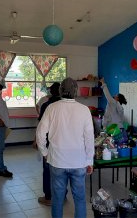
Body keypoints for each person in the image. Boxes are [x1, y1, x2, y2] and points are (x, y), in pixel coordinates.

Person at [36, 77, 94, 218]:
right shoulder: (84, 110)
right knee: (80, 200)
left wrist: (44, 152)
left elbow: (40, 133)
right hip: (78, 163)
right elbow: (89, 138)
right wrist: (89, 161)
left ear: (61, 91)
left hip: (57, 162)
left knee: (57, 199)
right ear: (76, 91)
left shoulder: (51, 108)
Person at [36, 82, 61, 206]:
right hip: (62, 142)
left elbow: (41, 128)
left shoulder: (46, 105)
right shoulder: (65, 106)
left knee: (48, 170)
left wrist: (38, 142)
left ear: (50, 92)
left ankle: (49, 197)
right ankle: (62, 195)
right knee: (61, 169)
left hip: (48, 142)